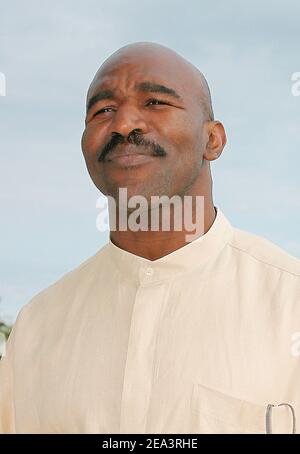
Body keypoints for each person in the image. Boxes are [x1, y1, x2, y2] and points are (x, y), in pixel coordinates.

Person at [0, 42, 299, 434]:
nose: (124, 124)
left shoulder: (290, 305)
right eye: (103, 110)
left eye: (155, 102)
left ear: (213, 140)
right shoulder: (37, 328)